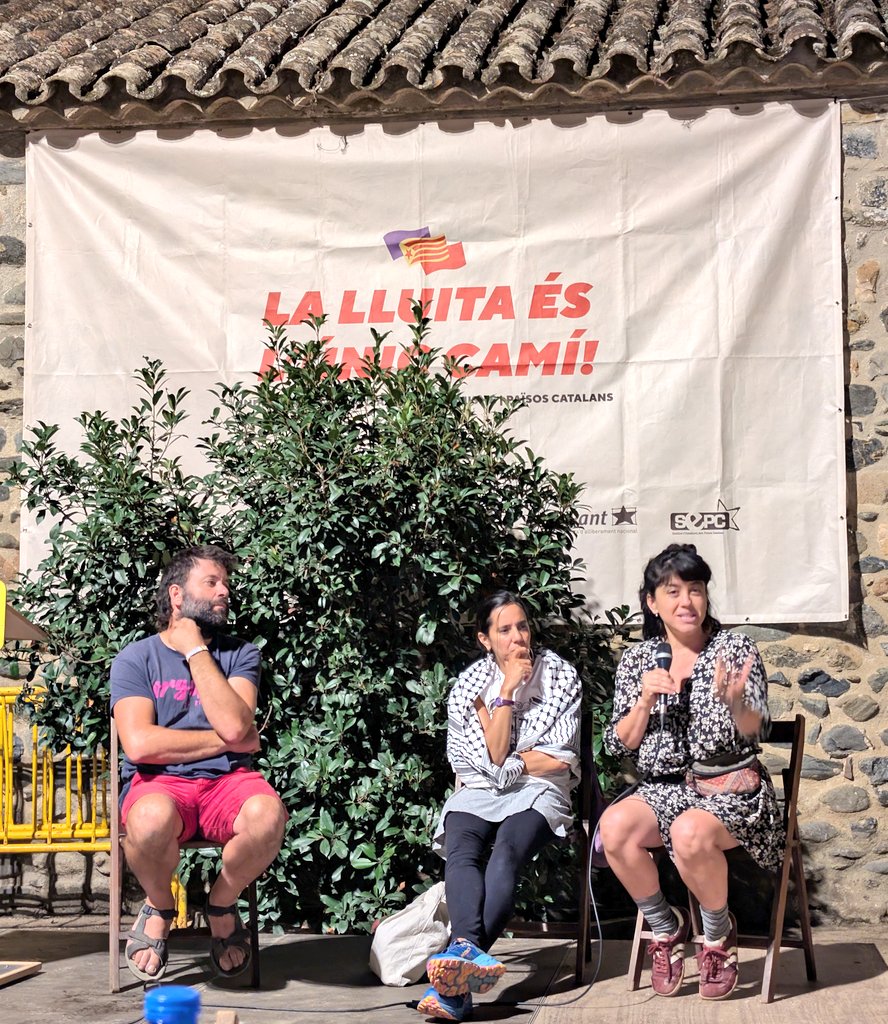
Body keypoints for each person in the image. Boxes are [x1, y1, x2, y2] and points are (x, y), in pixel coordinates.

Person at [599, 543, 784, 1000]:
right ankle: (667, 927)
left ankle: (718, 935)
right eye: (673, 591)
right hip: (665, 790)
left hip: (729, 788)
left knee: (686, 832)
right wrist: (643, 701)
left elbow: (757, 728)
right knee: (614, 826)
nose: (686, 602)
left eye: (696, 589)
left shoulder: (734, 648)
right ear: (651, 602)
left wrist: (737, 702)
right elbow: (616, 745)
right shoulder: (639, 661)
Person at [110, 544, 287, 982]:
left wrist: (195, 651)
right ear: (176, 596)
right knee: (147, 820)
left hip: (228, 782)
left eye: (225, 583)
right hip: (159, 785)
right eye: (211, 582)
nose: (224, 591)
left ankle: (221, 904)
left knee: (268, 816)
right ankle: (160, 904)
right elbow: (139, 746)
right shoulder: (137, 658)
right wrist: (230, 739)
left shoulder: (240, 654)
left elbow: (233, 721)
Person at [420, 592, 581, 1021]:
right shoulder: (471, 684)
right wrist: (507, 691)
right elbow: (485, 760)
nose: (518, 638)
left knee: (508, 848)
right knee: (462, 846)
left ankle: (455, 973)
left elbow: (558, 758)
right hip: (479, 787)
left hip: (540, 788)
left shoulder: (561, 676)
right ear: (485, 639)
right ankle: (461, 971)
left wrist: (511, 760)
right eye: (505, 630)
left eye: (523, 626)